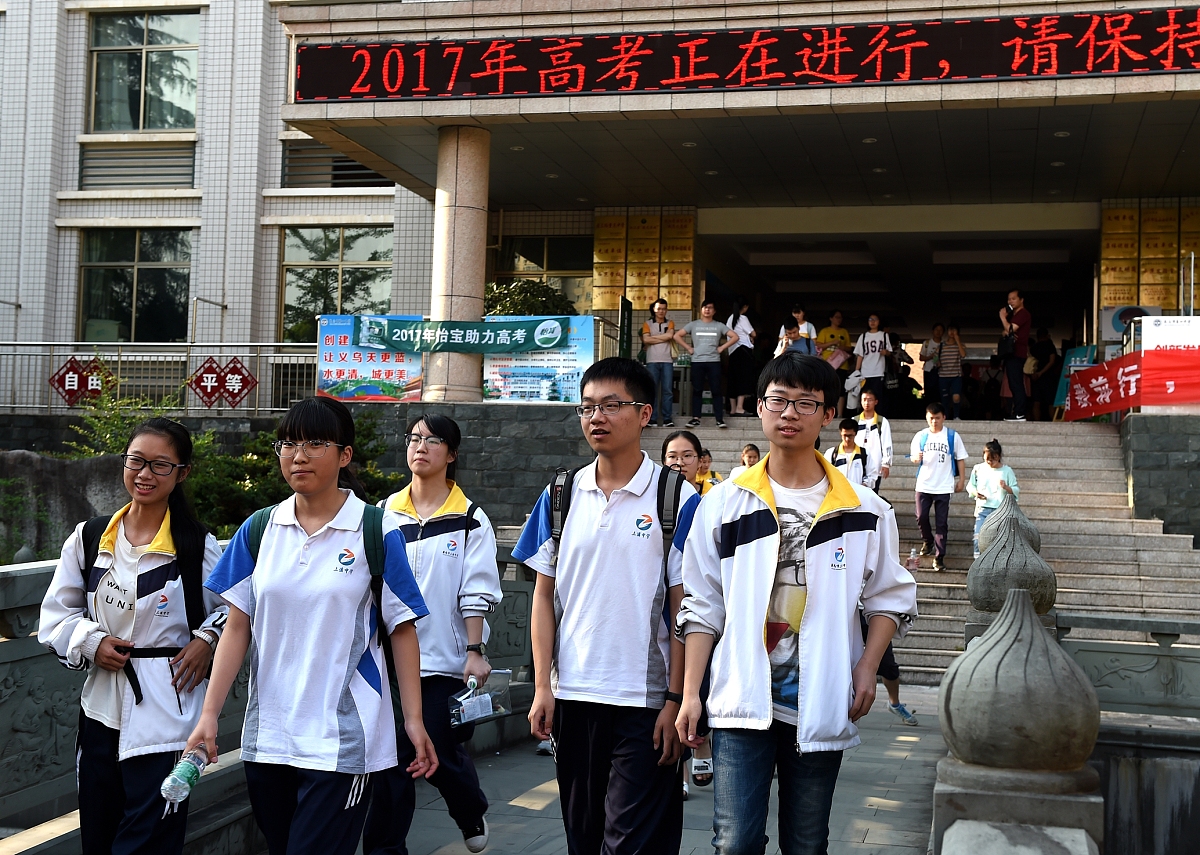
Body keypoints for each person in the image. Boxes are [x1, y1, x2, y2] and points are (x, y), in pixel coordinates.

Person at [674, 352, 918, 855]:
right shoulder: (723, 503)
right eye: (778, 400)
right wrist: (691, 693)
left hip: (821, 695)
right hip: (742, 698)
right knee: (734, 842)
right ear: (760, 409)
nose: (789, 413)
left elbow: (888, 597)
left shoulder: (865, 509)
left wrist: (868, 668)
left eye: (805, 403)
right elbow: (702, 604)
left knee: (807, 843)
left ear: (829, 415)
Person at [187, 397, 436, 855]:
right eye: (288, 443)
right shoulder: (260, 529)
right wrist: (208, 716)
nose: (297, 455)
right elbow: (237, 627)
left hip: (344, 739)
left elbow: (402, 630)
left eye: (315, 443)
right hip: (269, 738)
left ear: (344, 455)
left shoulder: (377, 532)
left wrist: (414, 721)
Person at [515, 358, 701, 855]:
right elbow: (542, 595)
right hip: (574, 695)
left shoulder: (676, 499)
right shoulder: (559, 496)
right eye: (587, 407)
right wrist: (541, 687)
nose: (596, 417)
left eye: (611, 405)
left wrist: (675, 697)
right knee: (584, 838)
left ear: (643, 414)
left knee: (632, 843)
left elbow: (686, 606)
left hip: (645, 702)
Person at [39, 418, 227, 855]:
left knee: (149, 839)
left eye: (160, 465)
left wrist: (206, 639)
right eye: (136, 461)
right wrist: (90, 641)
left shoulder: (196, 544)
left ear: (182, 474)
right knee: (99, 834)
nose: (144, 474)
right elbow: (54, 616)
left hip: (167, 711)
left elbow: (235, 610)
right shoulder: (89, 538)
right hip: (101, 709)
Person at [364, 414, 502, 855]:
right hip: (388, 663)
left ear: (452, 453)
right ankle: (386, 848)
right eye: (414, 438)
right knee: (393, 763)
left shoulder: (469, 519)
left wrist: (475, 650)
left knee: (440, 748)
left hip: (445, 660)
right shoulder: (383, 514)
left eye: (433, 439)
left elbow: (476, 587)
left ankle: (468, 807)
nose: (420, 446)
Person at [659, 429, 713, 799]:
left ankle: (702, 746)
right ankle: (678, 770)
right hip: (665, 607)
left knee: (698, 683)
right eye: (671, 457)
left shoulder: (709, 502)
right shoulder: (656, 500)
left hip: (702, 610)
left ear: (701, 462)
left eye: (687, 456)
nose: (679, 462)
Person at [910, 403, 968, 572]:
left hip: (944, 485)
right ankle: (927, 540)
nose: (934, 421)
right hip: (924, 483)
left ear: (944, 417)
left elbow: (960, 458)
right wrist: (916, 458)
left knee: (941, 522)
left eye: (937, 418)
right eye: (931, 418)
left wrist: (961, 480)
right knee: (921, 516)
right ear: (926, 418)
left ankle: (939, 556)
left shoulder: (952, 436)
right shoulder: (921, 436)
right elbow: (914, 457)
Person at [676, 300, 738, 429]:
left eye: (710, 308)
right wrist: (689, 348)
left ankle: (719, 419)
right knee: (697, 390)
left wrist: (722, 348)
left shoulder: (719, 325)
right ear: (701, 309)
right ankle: (695, 418)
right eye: (705, 307)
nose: (707, 310)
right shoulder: (693, 325)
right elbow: (677, 336)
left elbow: (735, 337)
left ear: (714, 311)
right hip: (697, 361)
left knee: (716, 390)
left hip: (714, 361)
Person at [967, 439, 1020, 558]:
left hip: (1000, 510)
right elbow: (970, 486)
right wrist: (976, 493)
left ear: (999, 457)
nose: (990, 462)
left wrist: (1006, 487)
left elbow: (1016, 490)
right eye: (987, 459)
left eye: (993, 459)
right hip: (983, 509)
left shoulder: (1007, 471)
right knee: (978, 538)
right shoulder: (978, 468)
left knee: (998, 541)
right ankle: (978, 564)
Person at [642, 298, 676, 427]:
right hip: (652, 360)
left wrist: (652, 338)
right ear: (654, 310)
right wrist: (663, 338)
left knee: (668, 390)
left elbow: (669, 336)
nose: (661, 311)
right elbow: (646, 340)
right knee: (652, 390)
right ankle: (652, 418)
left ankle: (667, 418)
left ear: (666, 310)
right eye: (659, 309)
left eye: (664, 309)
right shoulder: (647, 323)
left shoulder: (670, 323)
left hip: (667, 360)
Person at [1000, 289, 1032, 421]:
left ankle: (1020, 413)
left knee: (1016, 383)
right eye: (1009, 299)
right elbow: (1006, 331)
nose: (1010, 301)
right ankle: (1017, 412)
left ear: (1021, 299)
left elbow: (1010, 329)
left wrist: (1002, 317)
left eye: (1013, 298)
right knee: (1013, 383)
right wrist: (1007, 329)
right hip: (1012, 353)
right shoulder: (1015, 315)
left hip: (1017, 353)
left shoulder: (1023, 313)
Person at [816, 310, 854, 415]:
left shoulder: (844, 332)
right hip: (828, 364)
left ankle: (840, 414)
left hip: (842, 365)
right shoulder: (825, 331)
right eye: (837, 317)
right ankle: (825, 412)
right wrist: (832, 342)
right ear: (831, 318)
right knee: (826, 388)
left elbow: (850, 348)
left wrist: (843, 347)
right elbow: (818, 346)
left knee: (841, 389)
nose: (839, 319)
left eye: (840, 317)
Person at [855, 388, 892, 493]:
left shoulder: (882, 422)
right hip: (858, 464)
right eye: (864, 399)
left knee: (873, 494)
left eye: (870, 400)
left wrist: (886, 463)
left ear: (876, 402)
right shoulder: (855, 421)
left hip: (876, 465)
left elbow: (887, 443)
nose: (867, 403)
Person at [725, 301, 758, 416]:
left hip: (732, 351)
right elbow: (753, 333)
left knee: (733, 379)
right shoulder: (743, 318)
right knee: (743, 378)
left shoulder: (730, 319)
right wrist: (750, 336)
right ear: (745, 307)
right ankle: (740, 407)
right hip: (743, 350)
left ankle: (733, 409)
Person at [825, 418, 873, 487]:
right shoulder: (831, 453)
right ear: (840, 433)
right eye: (845, 435)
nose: (847, 439)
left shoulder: (864, 453)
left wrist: (864, 485)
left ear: (855, 433)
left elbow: (871, 474)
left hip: (857, 494)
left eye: (850, 436)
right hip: (838, 493)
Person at [854, 313, 891, 402]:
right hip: (865, 372)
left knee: (877, 397)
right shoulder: (863, 336)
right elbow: (860, 355)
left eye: (875, 319)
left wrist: (886, 352)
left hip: (878, 371)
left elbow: (889, 352)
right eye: (870, 319)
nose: (873, 322)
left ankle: (877, 415)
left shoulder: (884, 335)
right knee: (865, 397)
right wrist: (856, 371)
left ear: (879, 322)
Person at [1029, 329, 1060, 422]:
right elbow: (1052, 361)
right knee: (1051, 403)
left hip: (1036, 378)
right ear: (1047, 335)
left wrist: (1035, 373)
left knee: (1036, 402)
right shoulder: (1050, 346)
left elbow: (1030, 363)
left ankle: (1037, 423)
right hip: (1049, 377)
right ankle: (1054, 424)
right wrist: (1042, 372)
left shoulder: (1034, 347)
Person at [938, 324, 967, 420]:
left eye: (954, 330)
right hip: (943, 375)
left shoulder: (961, 346)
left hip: (956, 376)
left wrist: (958, 340)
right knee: (945, 399)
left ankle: (956, 416)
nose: (952, 332)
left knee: (956, 397)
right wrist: (936, 362)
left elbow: (963, 355)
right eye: (950, 330)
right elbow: (935, 357)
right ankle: (945, 417)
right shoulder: (941, 345)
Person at [919, 324, 945, 405]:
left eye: (940, 330)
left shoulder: (944, 344)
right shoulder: (927, 343)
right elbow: (921, 358)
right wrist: (931, 357)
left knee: (940, 393)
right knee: (929, 392)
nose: (938, 332)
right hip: (928, 370)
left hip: (941, 371)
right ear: (932, 331)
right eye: (936, 330)